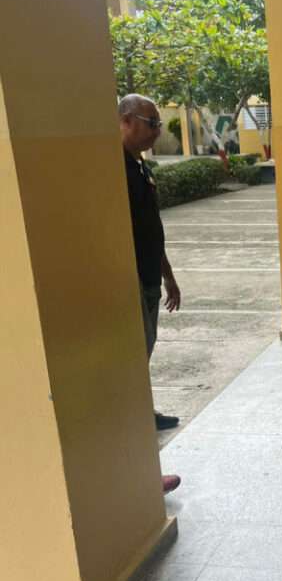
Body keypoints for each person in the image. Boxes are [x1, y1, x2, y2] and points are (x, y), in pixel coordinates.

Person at [119, 94, 182, 495]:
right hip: (128, 285)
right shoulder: (114, 170)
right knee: (132, 364)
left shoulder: (139, 167)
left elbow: (150, 229)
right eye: (151, 123)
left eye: (158, 124)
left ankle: (145, 412)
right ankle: (141, 468)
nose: (158, 131)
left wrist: (168, 277)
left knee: (143, 355)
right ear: (126, 120)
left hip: (148, 281)